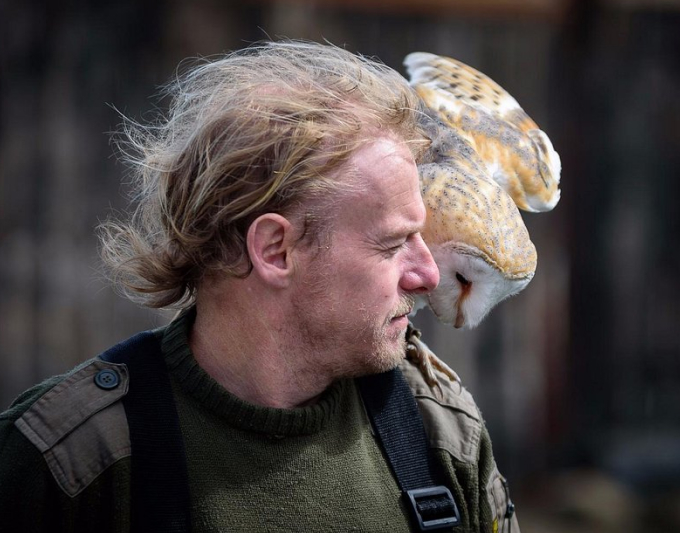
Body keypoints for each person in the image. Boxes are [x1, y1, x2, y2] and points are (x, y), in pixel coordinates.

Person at [0, 41, 519, 532]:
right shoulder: (70, 458)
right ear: (275, 250)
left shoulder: (438, 430)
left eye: (421, 236)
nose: (427, 276)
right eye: (392, 244)